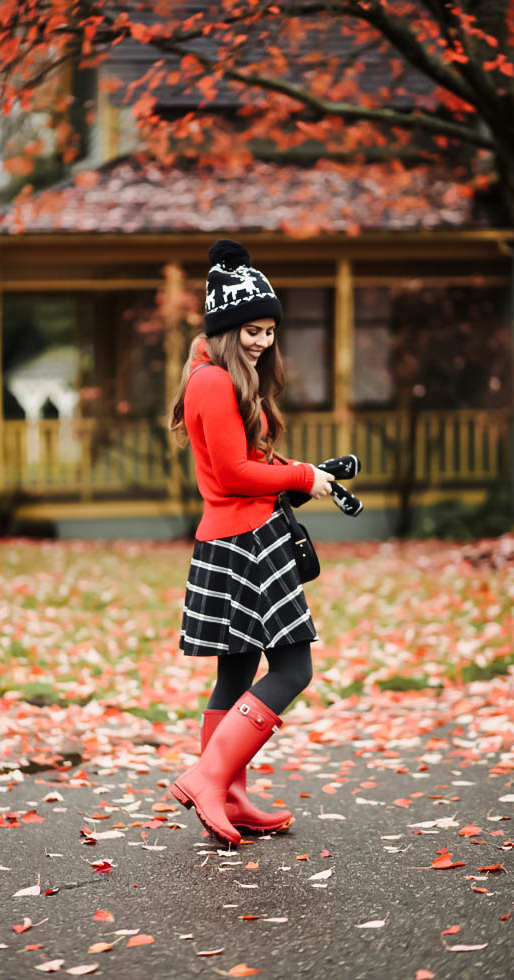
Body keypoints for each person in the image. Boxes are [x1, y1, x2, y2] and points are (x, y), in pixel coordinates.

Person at [167, 239, 334, 847]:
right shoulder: (210, 382)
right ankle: (210, 777)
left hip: (240, 534)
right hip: (245, 541)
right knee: (293, 666)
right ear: (226, 326)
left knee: (235, 672)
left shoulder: (227, 379)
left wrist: (306, 472)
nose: (263, 341)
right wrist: (298, 477)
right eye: (251, 329)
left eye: (268, 330)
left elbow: (246, 461)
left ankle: (230, 796)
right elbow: (235, 473)